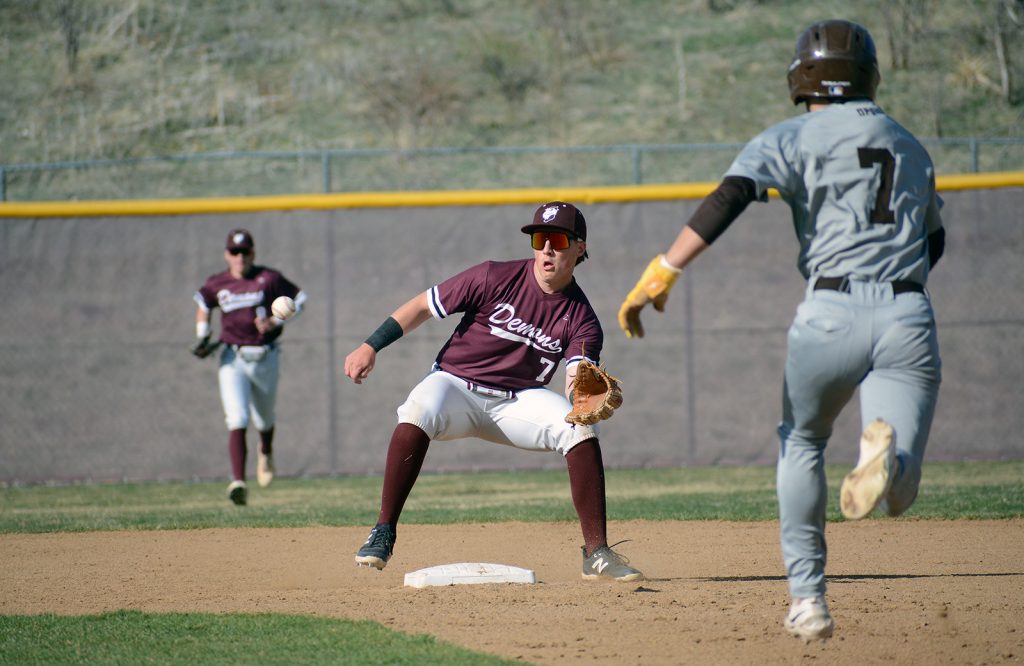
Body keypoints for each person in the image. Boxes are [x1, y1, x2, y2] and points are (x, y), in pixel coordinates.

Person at [618, 20, 944, 640]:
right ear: (871, 74)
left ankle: (808, 600)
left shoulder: (791, 136)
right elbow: (936, 243)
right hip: (907, 313)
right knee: (900, 482)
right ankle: (890, 466)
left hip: (830, 311)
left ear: (802, 77)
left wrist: (663, 271)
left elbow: (732, 196)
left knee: (802, 442)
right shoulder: (910, 146)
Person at [344, 202, 643, 582]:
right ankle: (383, 530)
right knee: (418, 409)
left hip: (518, 401)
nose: (546, 249)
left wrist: (583, 399)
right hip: (456, 386)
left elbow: (575, 379)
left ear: (579, 247)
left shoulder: (582, 319)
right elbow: (422, 306)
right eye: (539, 238)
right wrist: (371, 345)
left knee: (579, 428)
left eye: (557, 240)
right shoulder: (493, 276)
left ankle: (596, 552)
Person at [192, 229, 307, 506]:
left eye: (244, 251)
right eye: (234, 251)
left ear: (252, 253)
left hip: (265, 356)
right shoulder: (218, 283)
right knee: (237, 418)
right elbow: (203, 302)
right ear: (226, 254)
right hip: (232, 358)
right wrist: (202, 334)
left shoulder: (268, 278)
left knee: (264, 419)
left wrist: (275, 322)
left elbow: (300, 298)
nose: (240, 257)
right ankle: (238, 482)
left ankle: (265, 451)